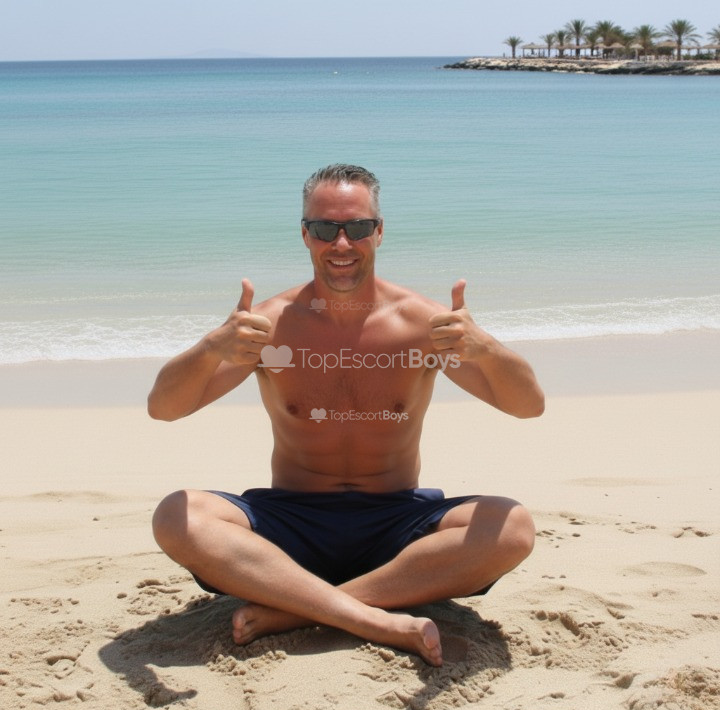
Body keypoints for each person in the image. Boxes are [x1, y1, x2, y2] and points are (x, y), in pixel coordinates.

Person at [148, 164, 544, 666]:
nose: (341, 243)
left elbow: (527, 405)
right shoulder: (268, 327)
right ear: (304, 234)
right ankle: (371, 615)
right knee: (177, 516)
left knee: (512, 527)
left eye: (357, 227)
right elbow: (164, 408)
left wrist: (485, 347)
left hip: (396, 524)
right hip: (290, 524)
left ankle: (296, 610)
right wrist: (210, 348)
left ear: (379, 231)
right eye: (324, 228)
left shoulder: (423, 325)